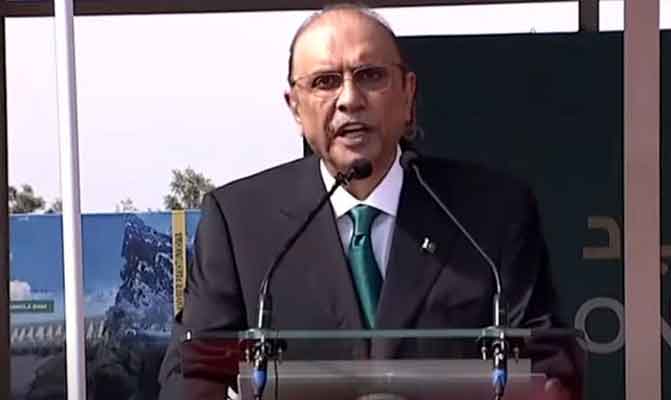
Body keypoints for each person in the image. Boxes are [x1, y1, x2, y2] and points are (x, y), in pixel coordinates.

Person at [158, 4, 580, 399]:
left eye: (370, 76)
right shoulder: (238, 221)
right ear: (295, 108)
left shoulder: (492, 211)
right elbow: (191, 373)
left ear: (407, 94)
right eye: (325, 82)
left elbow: (548, 366)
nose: (349, 99)